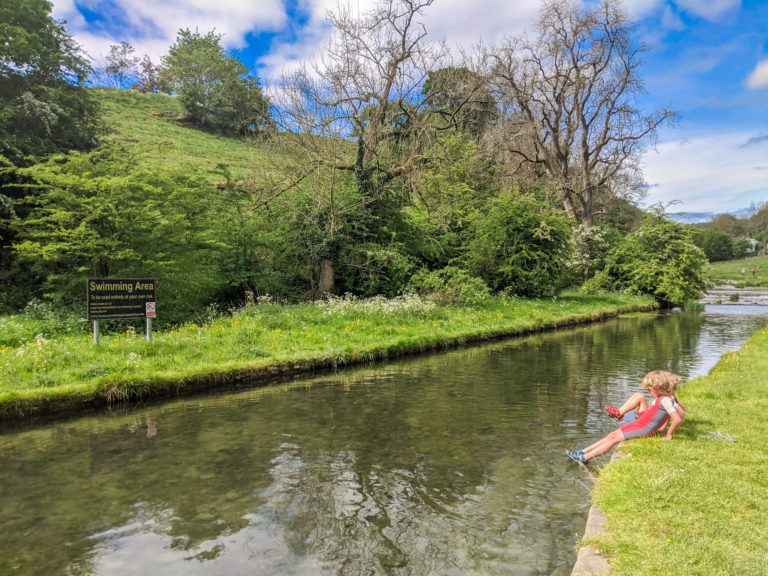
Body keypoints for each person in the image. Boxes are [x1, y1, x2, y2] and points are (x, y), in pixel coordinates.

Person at [566, 370, 685, 465]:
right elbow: (678, 412)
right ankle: (582, 452)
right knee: (612, 435)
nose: (648, 393)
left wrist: (669, 435)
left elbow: (678, 419)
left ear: (657, 386)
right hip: (640, 424)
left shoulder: (665, 400)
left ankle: (584, 458)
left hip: (643, 428)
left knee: (614, 439)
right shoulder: (664, 399)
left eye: (649, 390)